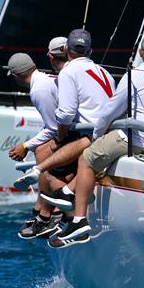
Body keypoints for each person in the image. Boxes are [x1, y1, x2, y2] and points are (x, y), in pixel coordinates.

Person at [48, 33, 144, 247]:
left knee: (87, 158)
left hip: (139, 141)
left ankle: (79, 220)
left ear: (141, 52)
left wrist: (97, 136)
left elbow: (110, 111)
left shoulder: (135, 75)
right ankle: (68, 193)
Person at [14, 29, 116, 195]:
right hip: (109, 131)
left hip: (92, 133)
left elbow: (66, 115)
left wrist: (59, 139)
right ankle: (52, 197)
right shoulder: (104, 71)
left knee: (47, 163)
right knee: (47, 151)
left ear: (67, 50)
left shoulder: (68, 72)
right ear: (90, 51)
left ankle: (52, 208)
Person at [5, 52, 63, 238]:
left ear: (16, 75)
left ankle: (48, 213)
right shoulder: (45, 79)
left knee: (42, 151)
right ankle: (43, 208)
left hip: (78, 132)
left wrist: (25, 146)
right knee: (42, 147)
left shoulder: (38, 91)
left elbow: (54, 128)